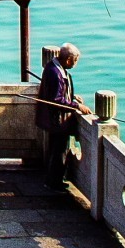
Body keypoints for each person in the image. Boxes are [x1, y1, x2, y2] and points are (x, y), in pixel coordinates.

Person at [36, 44, 86, 191]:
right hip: (57, 120)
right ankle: (54, 183)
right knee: (59, 150)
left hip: (53, 119)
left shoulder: (52, 66)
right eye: (75, 60)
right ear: (69, 60)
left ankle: (53, 180)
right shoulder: (55, 73)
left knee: (57, 149)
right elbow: (56, 99)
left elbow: (58, 91)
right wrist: (77, 106)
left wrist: (71, 96)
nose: (75, 64)